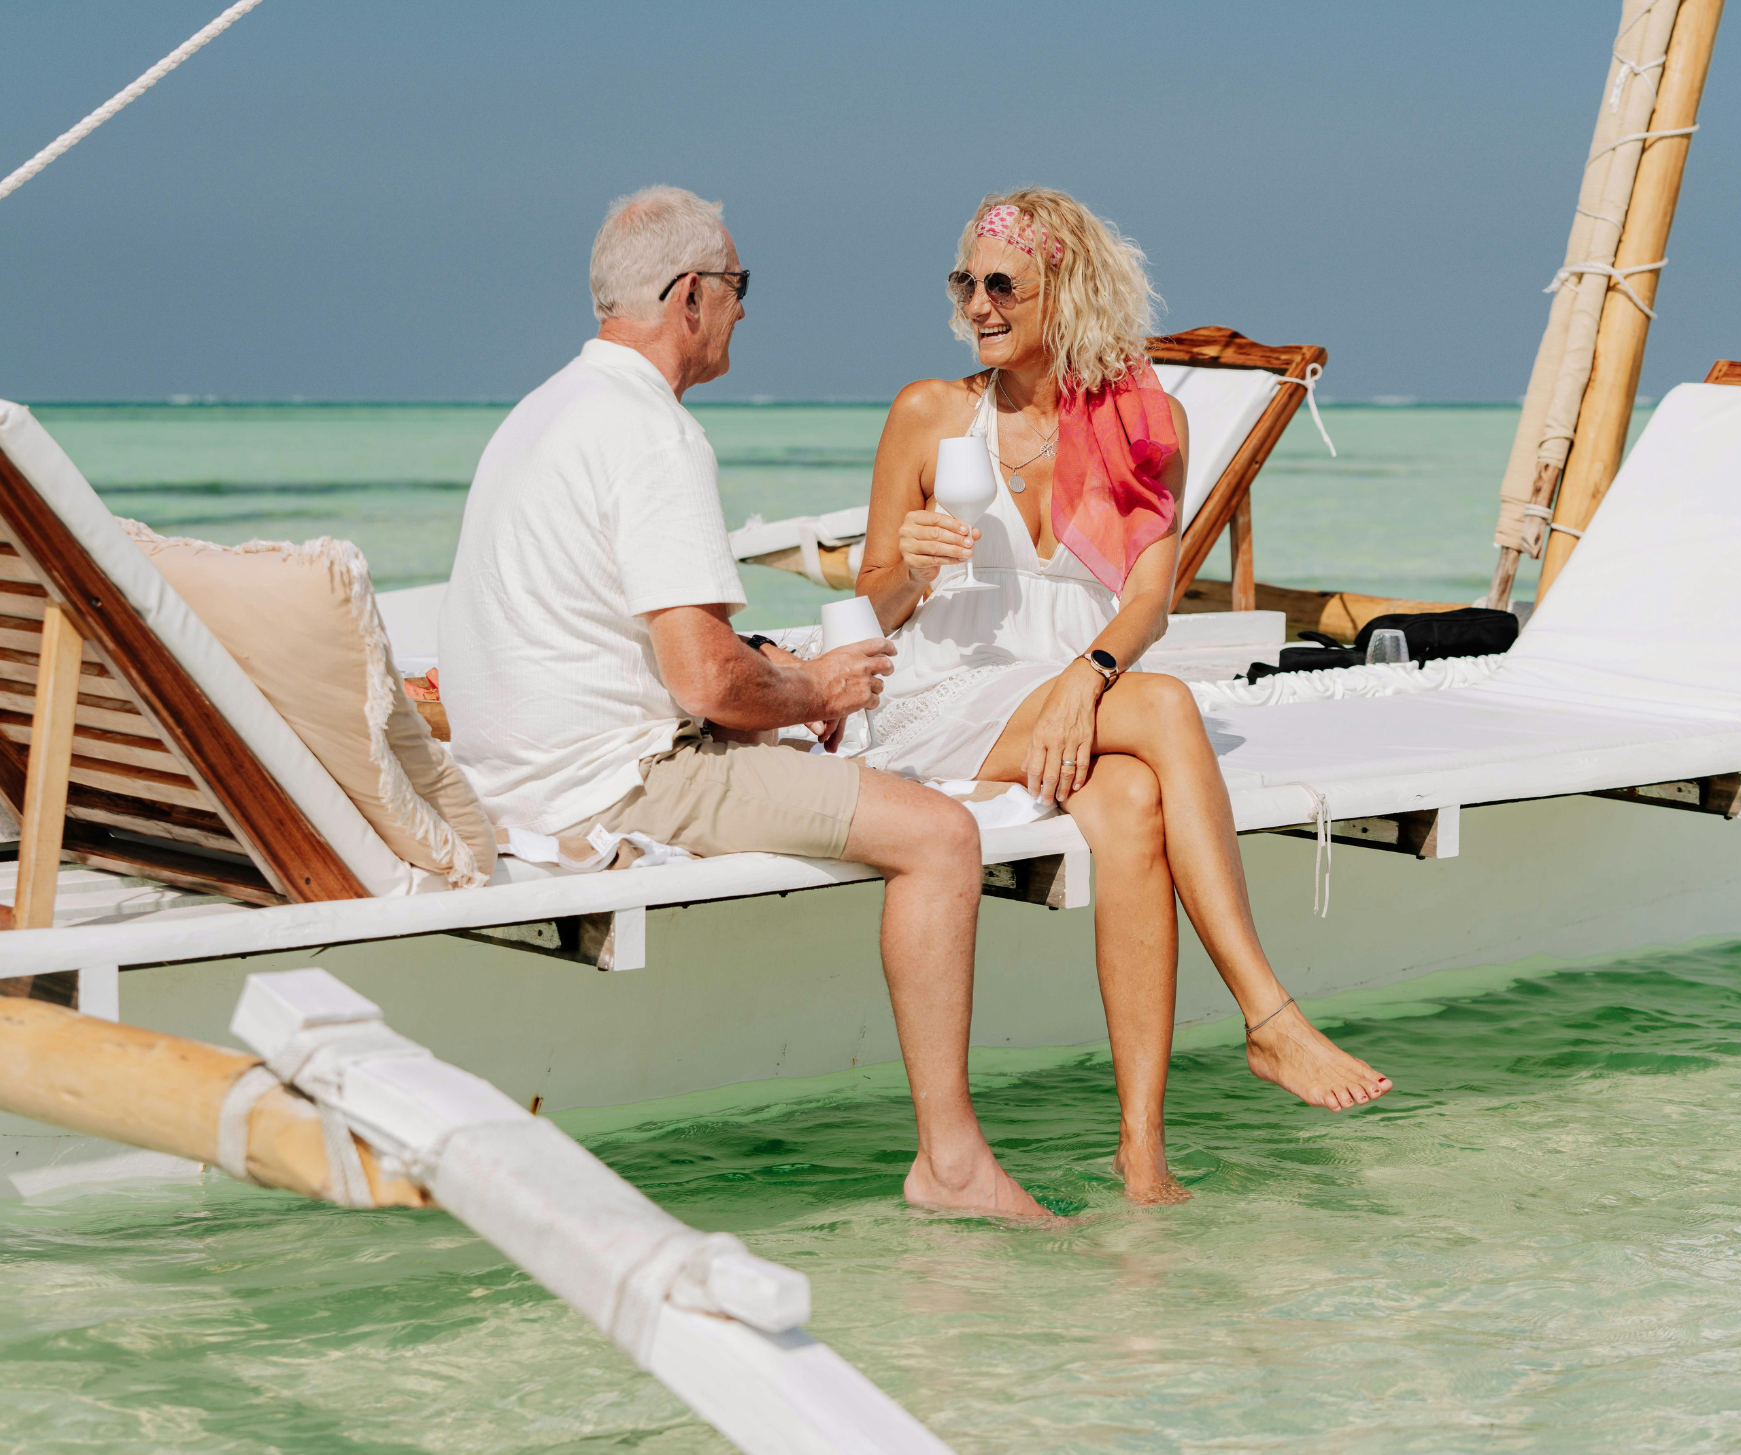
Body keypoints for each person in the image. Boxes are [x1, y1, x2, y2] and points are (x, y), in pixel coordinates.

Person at [441, 185, 1043, 1218]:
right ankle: (950, 1164)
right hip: (615, 786)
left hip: (519, 768)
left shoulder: (542, 411)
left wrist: (765, 675)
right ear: (688, 298)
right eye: (736, 286)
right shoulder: (653, 433)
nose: (744, 309)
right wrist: (814, 685)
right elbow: (706, 685)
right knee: (941, 834)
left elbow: (656, 648)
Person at [855, 188, 1392, 1205]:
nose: (976, 303)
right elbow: (873, 603)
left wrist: (1080, 681)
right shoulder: (929, 413)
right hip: (950, 689)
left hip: (1075, 688)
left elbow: (1149, 596)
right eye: (963, 282)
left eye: (1000, 283)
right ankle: (1266, 1013)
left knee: (1136, 804)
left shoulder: (1145, 425)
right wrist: (911, 568)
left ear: (1063, 289)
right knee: (1165, 708)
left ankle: (1140, 1154)